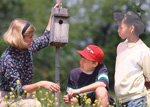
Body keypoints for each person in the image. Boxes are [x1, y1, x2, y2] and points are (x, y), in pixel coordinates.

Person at [0, 4, 60, 107]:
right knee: (35, 104)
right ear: (19, 38)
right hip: (7, 98)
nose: (33, 40)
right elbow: (18, 90)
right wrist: (41, 84)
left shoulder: (27, 47)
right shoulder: (8, 60)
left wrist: (53, 15)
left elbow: (46, 38)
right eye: (30, 37)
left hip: (23, 97)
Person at [113, 11, 150, 107]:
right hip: (121, 101)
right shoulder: (120, 47)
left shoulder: (144, 51)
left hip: (137, 100)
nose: (118, 30)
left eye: (121, 27)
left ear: (131, 28)